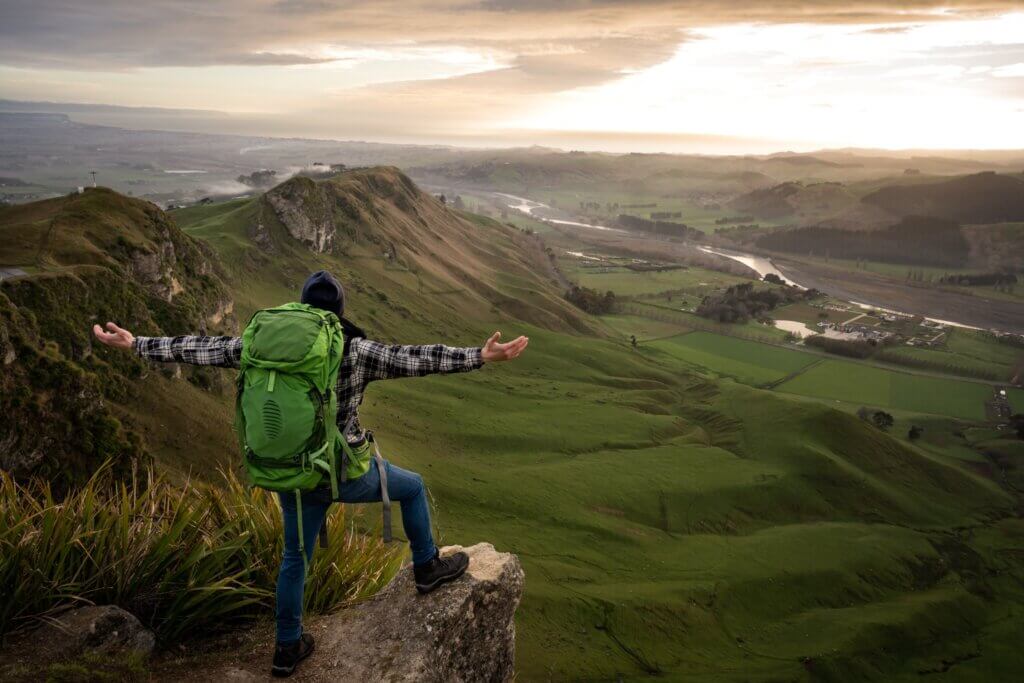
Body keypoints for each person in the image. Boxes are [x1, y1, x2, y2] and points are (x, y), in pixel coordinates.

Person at [92, 270, 529, 678]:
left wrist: (137, 343)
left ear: (301, 308)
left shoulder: (262, 347)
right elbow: (413, 358)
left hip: (293, 474)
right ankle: (427, 568)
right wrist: (479, 356)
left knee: (294, 559)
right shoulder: (355, 350)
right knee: (412, 487)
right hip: (345, 472)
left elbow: (202, 349)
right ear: (339, 312)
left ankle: (287, 648)